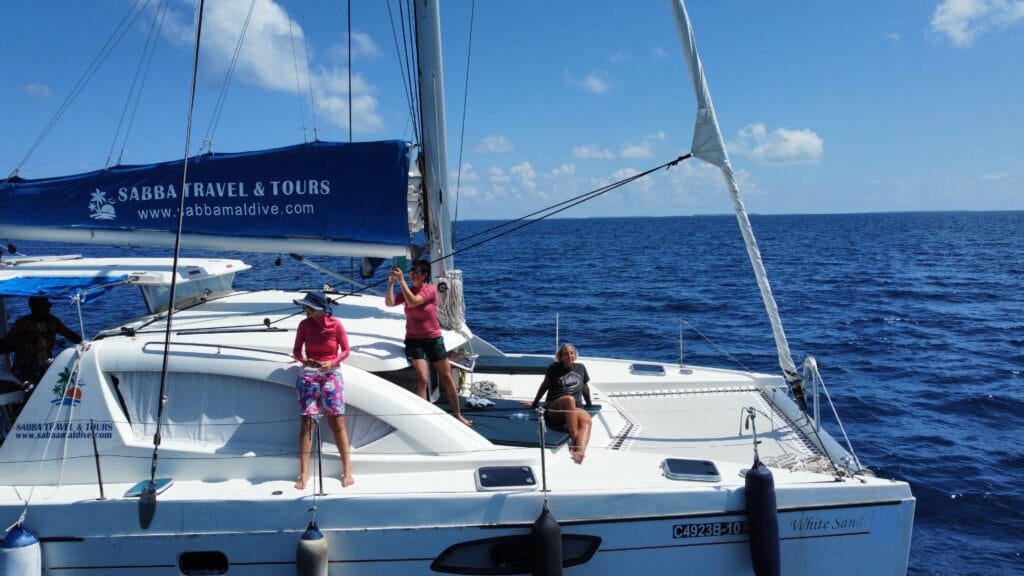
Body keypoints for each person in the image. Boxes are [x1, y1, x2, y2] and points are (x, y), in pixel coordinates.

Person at [385, 259, 471, 426]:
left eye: (417, 271)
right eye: (411, 271)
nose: (412, 274)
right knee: (423, 379)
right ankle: (422, 417)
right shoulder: (408, 290)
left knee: (446, 376)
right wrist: (390, 283)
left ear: (425, 275)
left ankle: (458, 414)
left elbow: (414, 301)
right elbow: (389, 303)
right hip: (414, 341)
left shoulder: (430, 290)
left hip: (433, 339)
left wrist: (401, 280)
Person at [291, 291, 354, 489]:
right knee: (307, 423)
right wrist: (305, 361)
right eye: (305, 307)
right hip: (309, 374)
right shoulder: (304, 325)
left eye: (308, 307)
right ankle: (303, 473)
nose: (305, 310)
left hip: (331, 373)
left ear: (319, 310)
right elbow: (296, 352)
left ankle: (347, 470)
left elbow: (346, 351)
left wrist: (332, 362)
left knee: (337, 421)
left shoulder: (336, 325)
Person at [528, 343, 593, 464]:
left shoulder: (581, 368)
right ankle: (573, 440)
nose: (569, 355)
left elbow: (585, 388)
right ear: (561, 357)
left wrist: (589, 403)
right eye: (566, 353)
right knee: (569, 399)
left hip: (574, 408)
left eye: (571, 352)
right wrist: (534, 403)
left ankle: (579, 453)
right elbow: (544, 386)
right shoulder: (554, 368)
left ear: (575, 354)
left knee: (587, 420)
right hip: (555, 408)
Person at [5, 296, 82, 385]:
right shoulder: (23, 323)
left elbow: (69, 334)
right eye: (43, 306)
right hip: (25, 368)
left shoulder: (52, 321)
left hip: (46, 365)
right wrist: (28, 338)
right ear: (32, 307)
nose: (47, 309)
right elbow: (8, 344)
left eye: (48, 305)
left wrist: (82, 342)